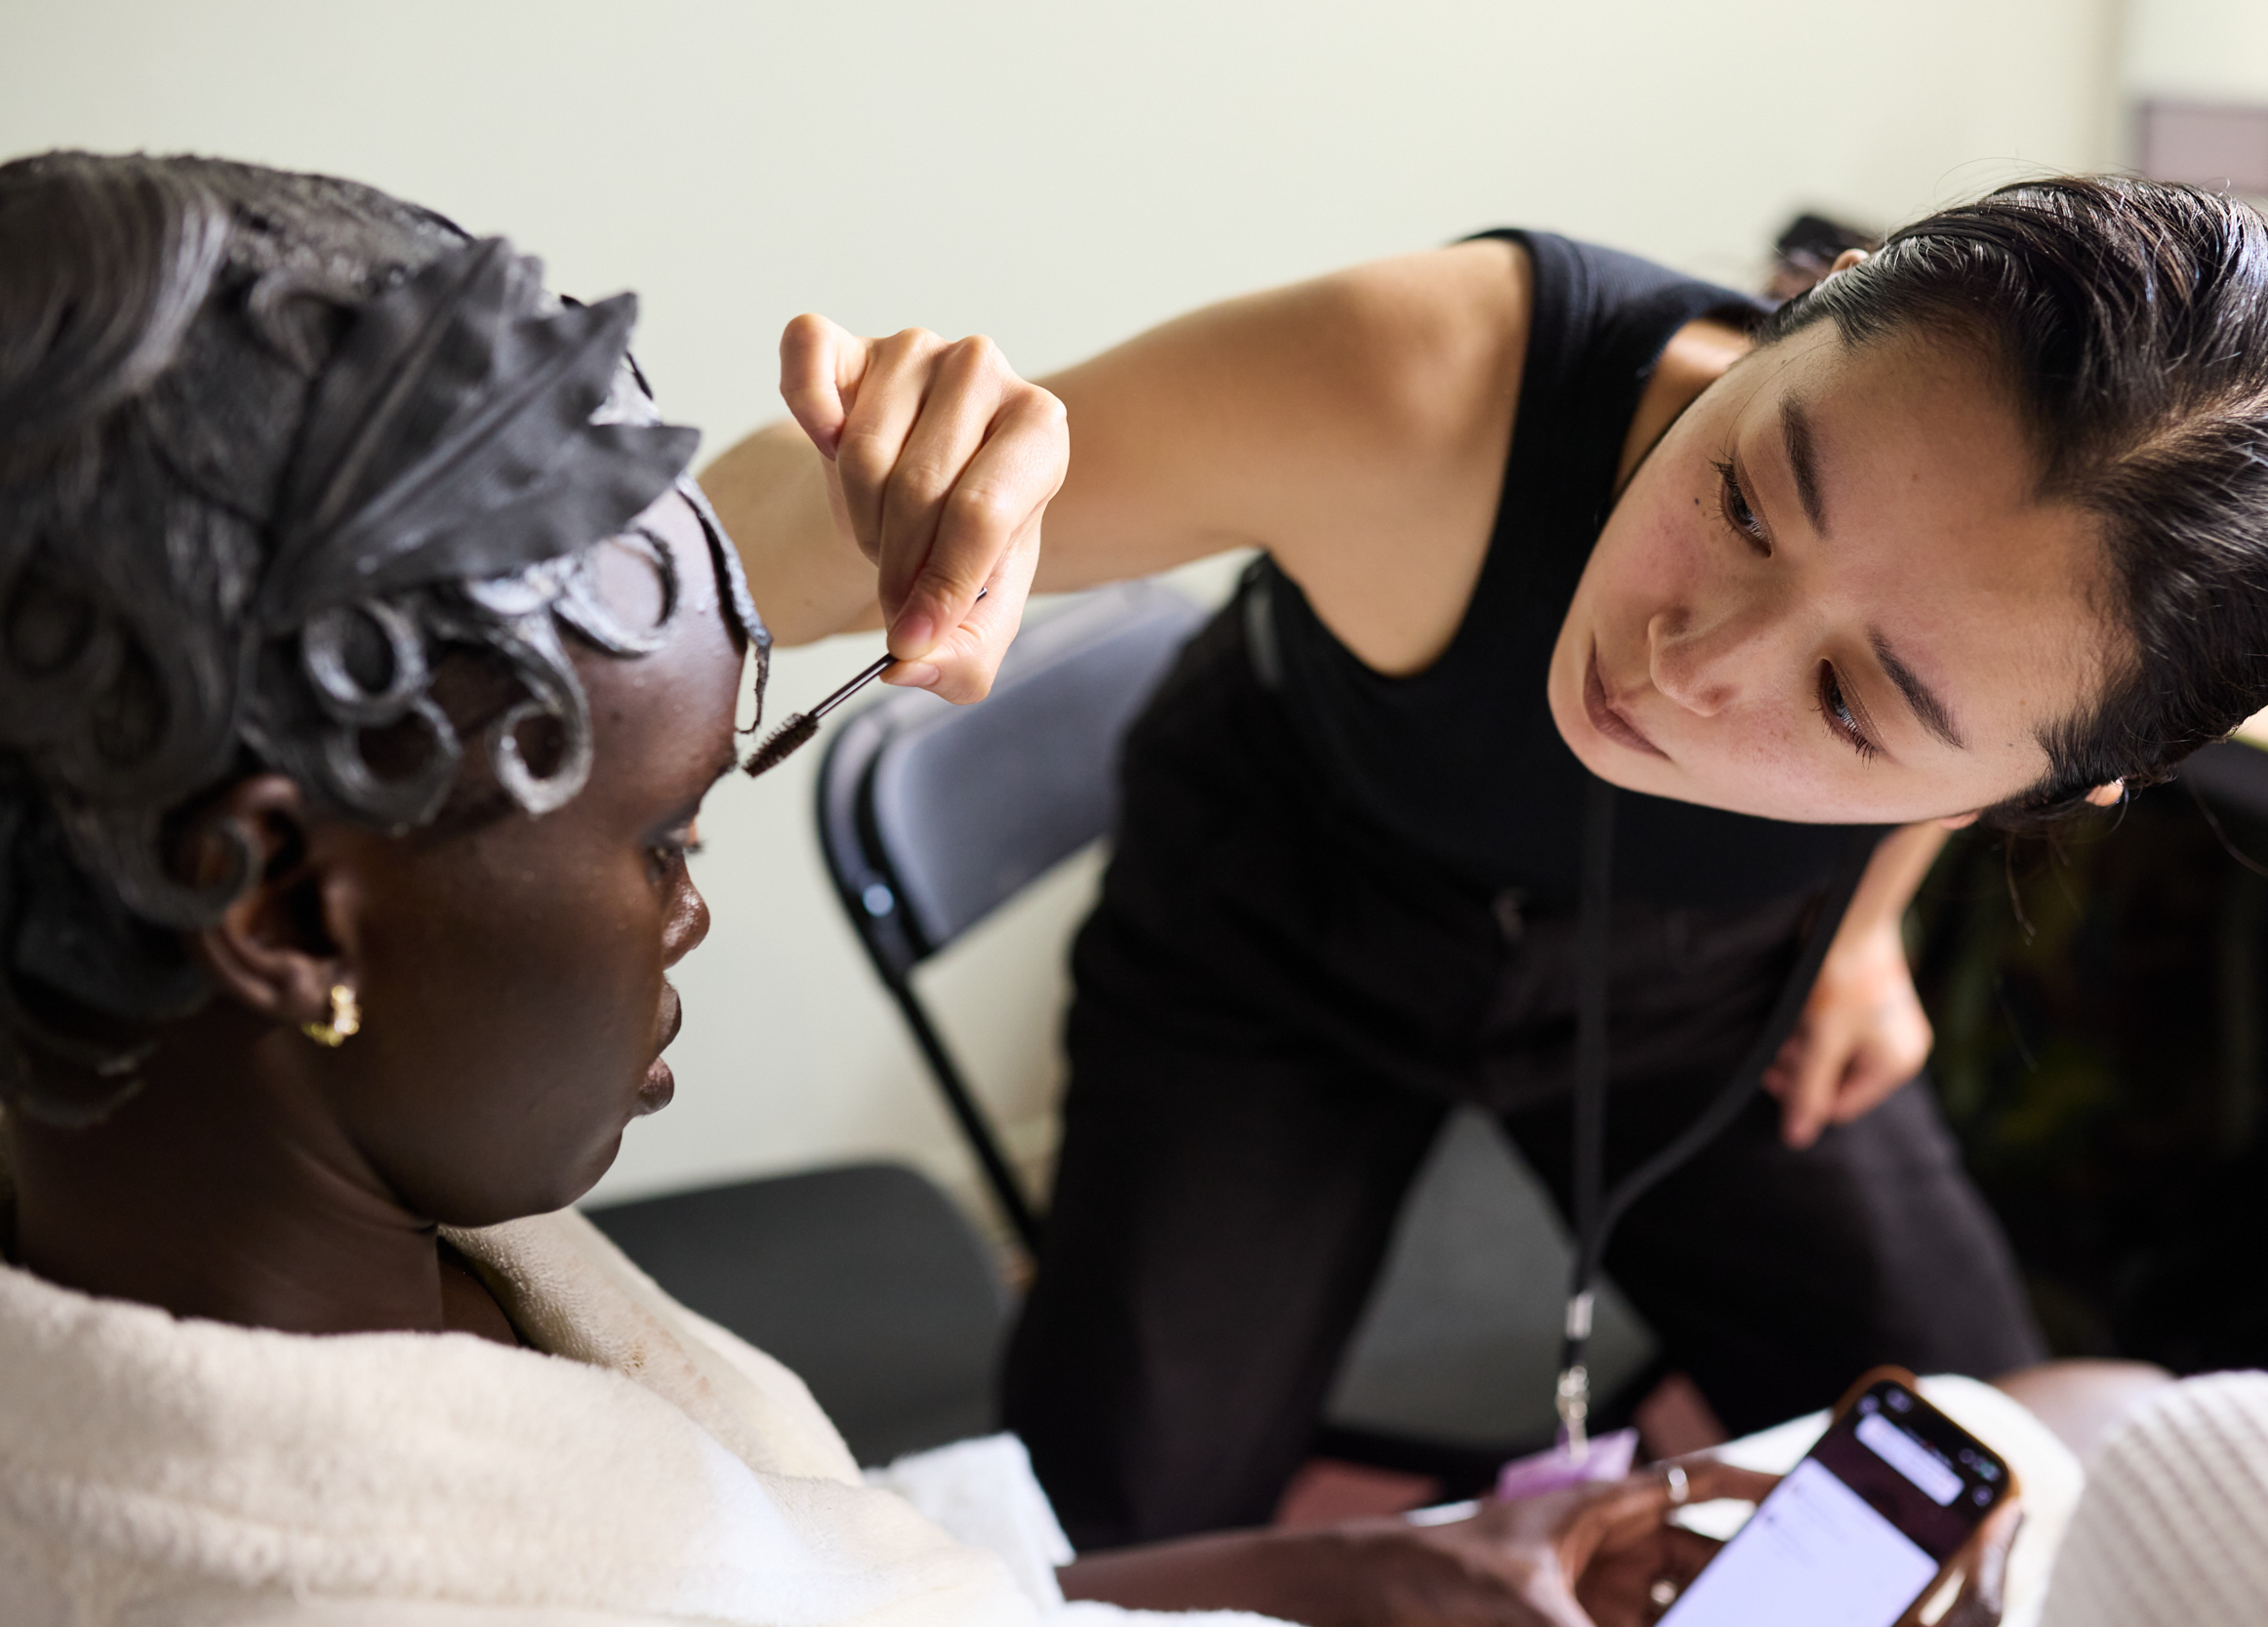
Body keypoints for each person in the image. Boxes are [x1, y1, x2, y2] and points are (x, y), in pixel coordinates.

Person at [0, 147, 1802, 1627]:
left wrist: (1366, 1573)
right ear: (288, 911)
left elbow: (855, 1570)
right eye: (662, 842)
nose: (693, 907)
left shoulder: (289, 1184)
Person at [704, 179, 2268, 1545]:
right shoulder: (1420, 388)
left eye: (1847, 699)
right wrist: (873, 488)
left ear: (2068, 787)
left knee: (1977, 1462)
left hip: (1716, 982)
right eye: (1747, 500)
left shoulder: (2012, 696)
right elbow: (726, 560)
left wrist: (1870, 938)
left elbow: (1949, 784)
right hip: (1276, 937)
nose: (1689, 663)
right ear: (1819, 298)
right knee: (1113, 1525)